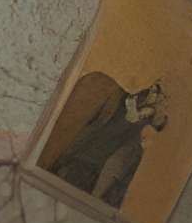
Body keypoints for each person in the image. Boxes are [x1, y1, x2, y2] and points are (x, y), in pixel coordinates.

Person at [39, 73, 169, 209]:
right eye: (151, 89)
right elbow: (92, 128)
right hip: (81, 160)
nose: (151, 94)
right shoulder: (119, 97)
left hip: (93, 167)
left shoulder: (147, 116)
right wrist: (65, 158)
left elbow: (136, 121)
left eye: (155, 91)